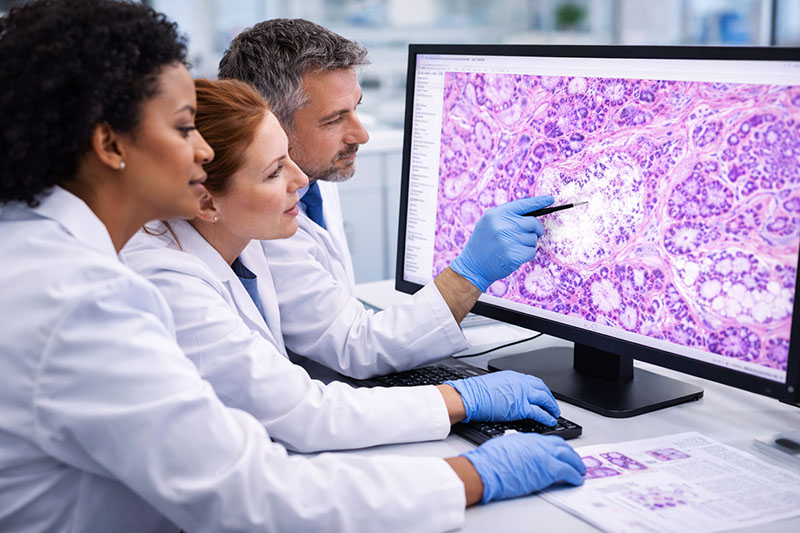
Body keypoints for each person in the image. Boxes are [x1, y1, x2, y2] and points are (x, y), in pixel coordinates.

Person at [0, 2, 584, 532]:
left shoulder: (50, 257)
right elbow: (254, 495)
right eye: (183, 127)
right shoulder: (82, 300)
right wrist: (473, 477)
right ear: (109, 144)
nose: (202, 150)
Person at [123, 77, 569, 454]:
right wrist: (460, 400)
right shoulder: (169, 283)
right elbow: (305, 414)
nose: (300, 179)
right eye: (275, 171)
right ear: (205, 201)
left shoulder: (239, 237)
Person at [218, 18, 555, 378]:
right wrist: (470, 273)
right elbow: (355, 346)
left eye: (356, 108)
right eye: (334, 120)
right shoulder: (254, 217)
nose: (361, 134)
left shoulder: (315, 175)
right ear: (269, 126)